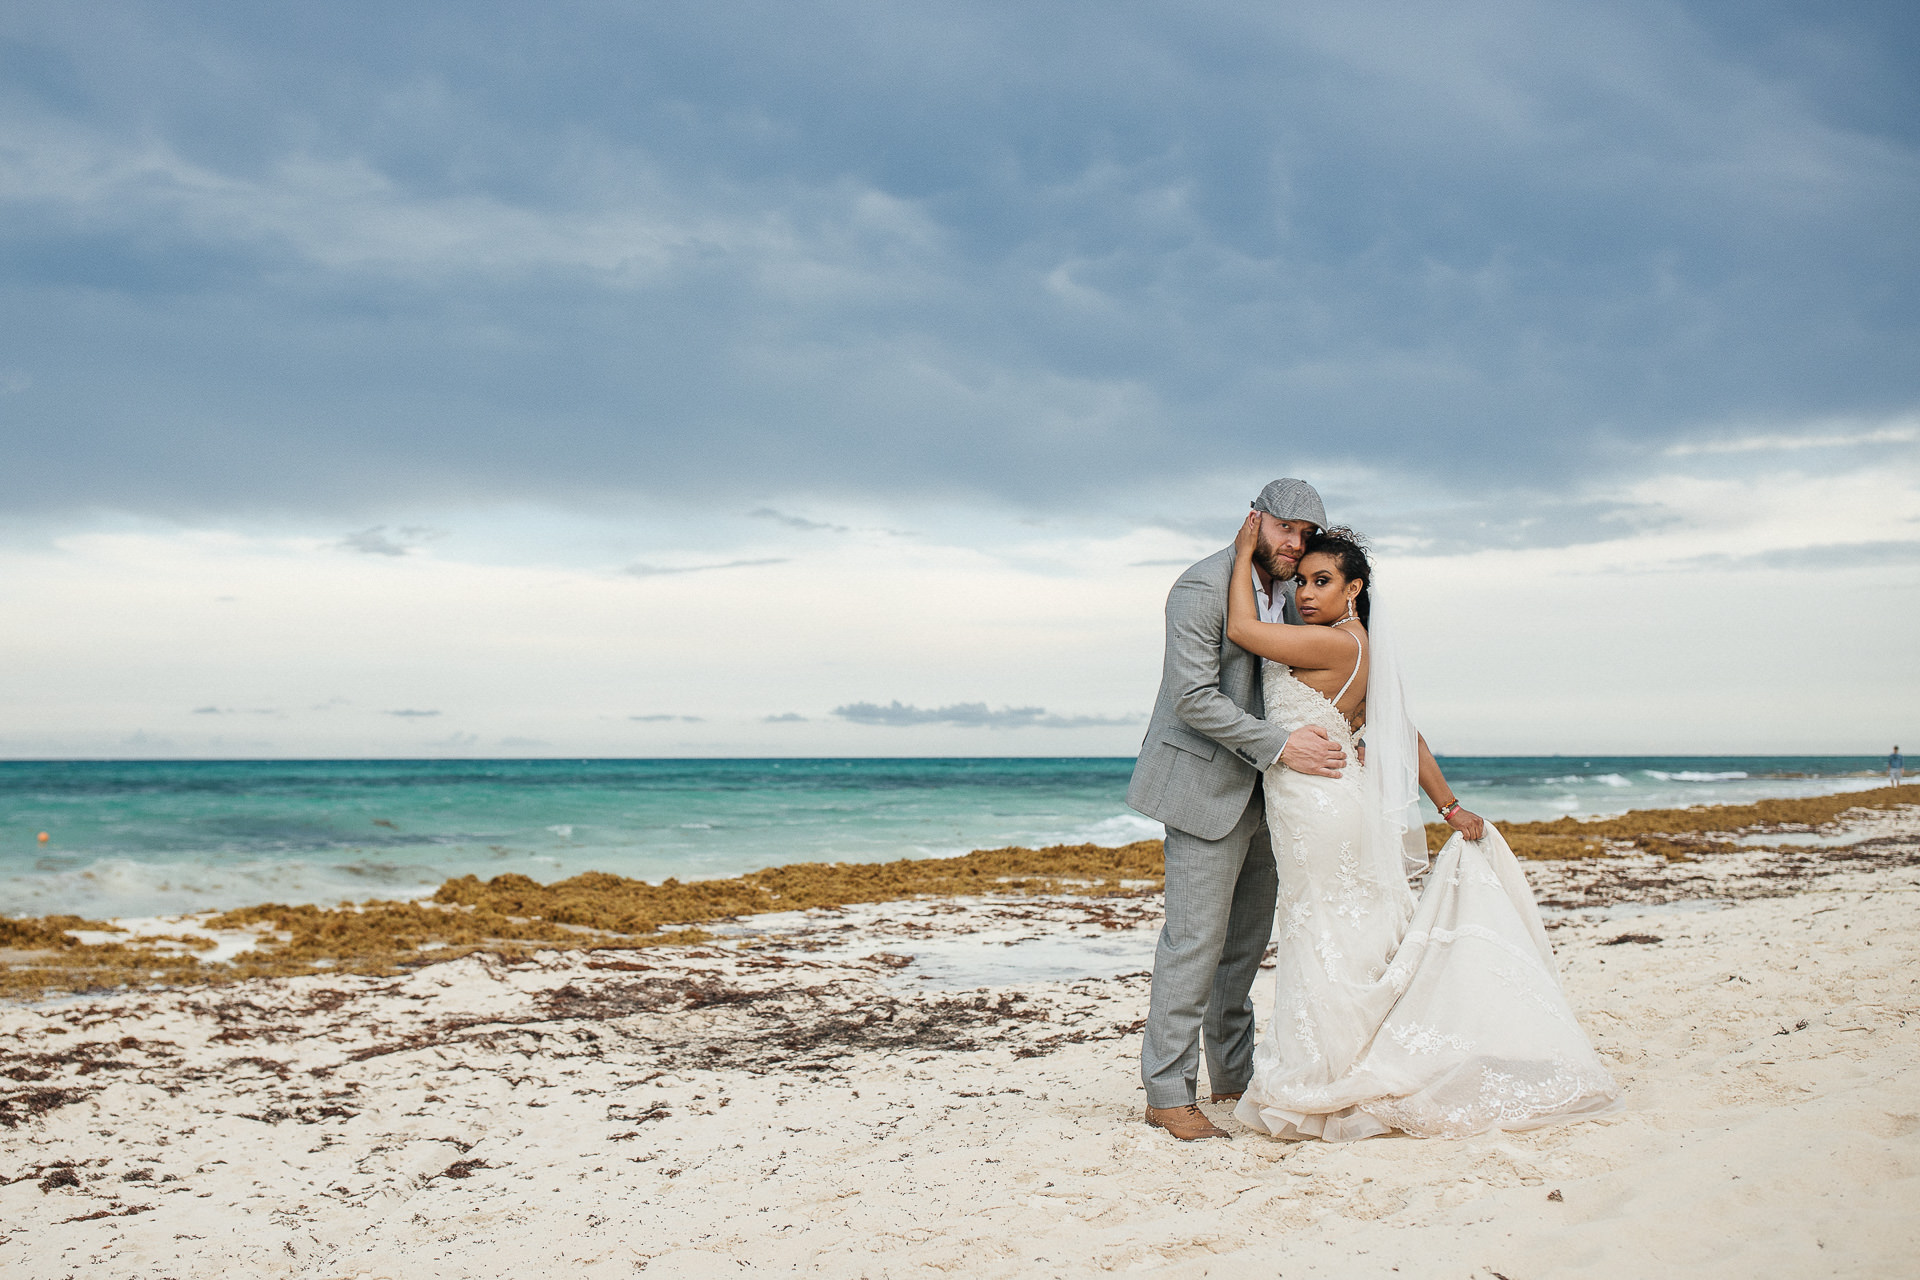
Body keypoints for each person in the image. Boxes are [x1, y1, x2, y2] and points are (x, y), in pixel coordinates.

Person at [1218, 516, 1620, 1141]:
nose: (1305, 593)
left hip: (1318, 808)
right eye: (1299, 581)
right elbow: (1407, 733)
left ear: (1354, 589)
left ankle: (1333, 1070)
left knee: (1321, 926)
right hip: (1330, 801)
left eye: (1322, 581)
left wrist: (1245, 551)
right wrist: (1450, 807)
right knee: (1345, 927)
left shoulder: (1336, 644)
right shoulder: (1360, 648)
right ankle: (1352, 1056)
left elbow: (1242, 629)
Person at [1126, 478, 1349, 1141]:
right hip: (1204, 792)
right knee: (1192, 945)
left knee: (1245, 951)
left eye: (1306, 535)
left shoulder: (1296, 591)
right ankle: (1167, 1095)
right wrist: (1283, 744)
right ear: (1254, 521)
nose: (1294, 544)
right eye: (1285, 529)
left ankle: (1234, 1076)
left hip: (1271, 796)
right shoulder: (1199, 588)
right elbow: (1193, 697)